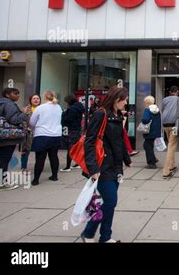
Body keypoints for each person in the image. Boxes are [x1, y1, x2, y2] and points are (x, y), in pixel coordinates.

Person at [81, 86, 131, 243]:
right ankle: (88, 232)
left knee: (109, 203)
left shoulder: (116, 115)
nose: (126, 103)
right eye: (125, 100)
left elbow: (119, 140)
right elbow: (89, 142)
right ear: (117, 99)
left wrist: (126, 159)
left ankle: (105, 237)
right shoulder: (101, 114)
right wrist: (93, 168)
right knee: (110, 202)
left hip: (115, 166)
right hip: (102, 165)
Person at [0, 88, 28, 191]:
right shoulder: (9, 104)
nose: (18, 95)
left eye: (18, 93)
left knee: (2, 160)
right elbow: (14, 119)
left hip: (2, 135)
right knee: (4, 160)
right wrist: (24, 113)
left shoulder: (1, 104)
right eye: (15, 93)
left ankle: (1, 181)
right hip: (9, 136)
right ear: (8, 95)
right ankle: (2, 183)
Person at [29, 90, 63, 186]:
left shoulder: (40, 108)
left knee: (40, 158)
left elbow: (32, 122)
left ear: (44, 97)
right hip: (56, 135)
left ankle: (36, 179)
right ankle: (54, 175)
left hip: (42, 135)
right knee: (54, 156)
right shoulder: (59, 107)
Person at [161, 86, 179, 179]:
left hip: (165, 124)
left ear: (170, 92)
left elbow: (163, 110)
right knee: (171, 146)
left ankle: (172, 166)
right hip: (174, 125)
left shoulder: (165, 99)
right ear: (177, 92)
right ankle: (166, 171)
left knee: (171, 144)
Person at [60, 94, 85, 172]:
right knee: (76, 148)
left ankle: (68, 166)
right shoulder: (79, 107)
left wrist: (64, 114)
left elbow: (68, 119)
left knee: (70, 148)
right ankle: (77, 163)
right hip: (77, 129)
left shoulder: (72, 109)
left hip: (72, 130)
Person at [20, 94, 41, 173]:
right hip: (28, 133)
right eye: (34, 98)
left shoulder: (43, 108)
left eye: (37, 98)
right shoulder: (26, 109)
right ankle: (23, 167)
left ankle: (38, 167)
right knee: (25, 150)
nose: (36, 100)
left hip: (40, 132)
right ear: (30, 100)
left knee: (40, 151)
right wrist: (26, 128)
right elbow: (22, 120)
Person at [141, 96, 162, 169]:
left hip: (149, 131)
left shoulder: (147, 109)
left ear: (147, 102)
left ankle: (151, 163)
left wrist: (143, 121)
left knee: (147, 146)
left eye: (145, 102)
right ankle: (153, 159)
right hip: (155, 131)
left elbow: (145, 119)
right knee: (148, 145)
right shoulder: (157, 109)